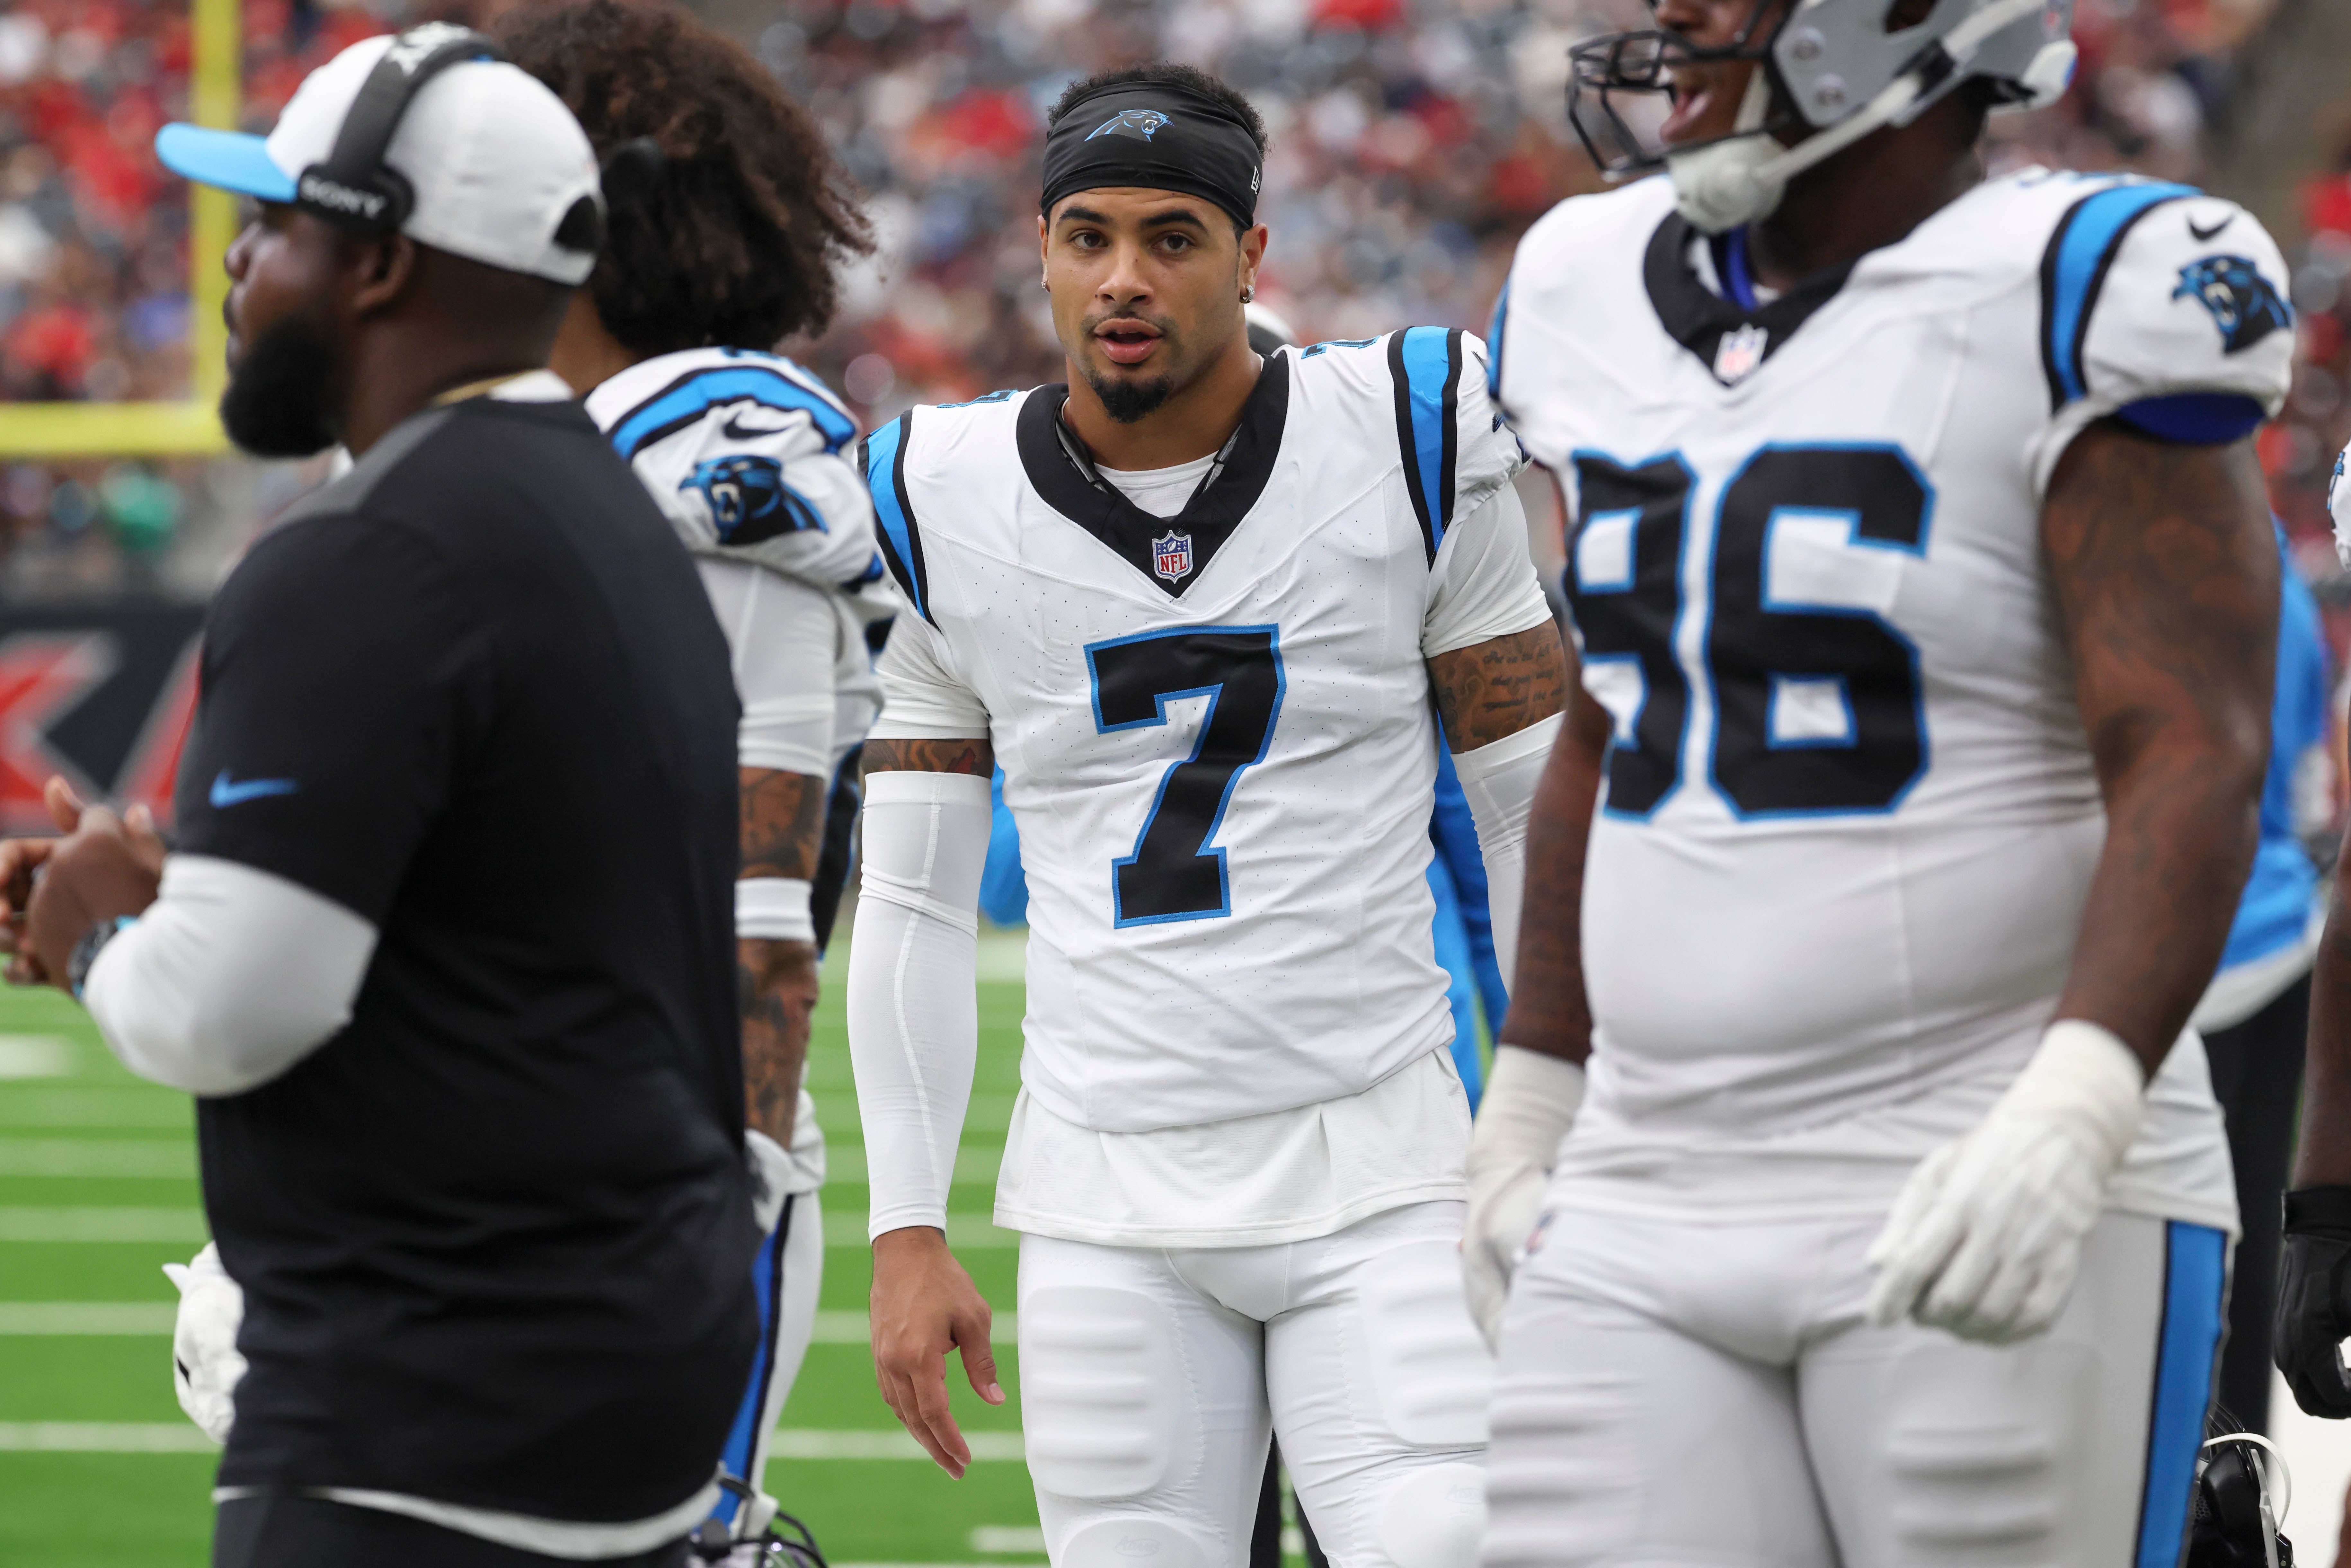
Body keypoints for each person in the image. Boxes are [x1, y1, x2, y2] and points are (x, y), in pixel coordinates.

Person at [1468, 0, 2292, 1562]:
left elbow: (2192, 742)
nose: (1674, 21)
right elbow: (1616, 713)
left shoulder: (2087, 282)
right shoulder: (1580, 279)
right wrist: (1535, 1088)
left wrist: (2080, 1098)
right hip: (1644, 1171)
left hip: (1975, 1145)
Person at [3, 29, 757, 1568]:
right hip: (631, 1352)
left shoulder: (371, 548)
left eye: (272, 226)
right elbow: (494, 927)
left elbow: (228, 1015)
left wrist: (94, 937)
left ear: (379, 262)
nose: (236, 269)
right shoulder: (603, 507)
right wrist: (203, 887)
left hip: (437, 1396)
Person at [845, 63, 1566, 1568]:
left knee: (1447, 1545)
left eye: (1172, 237)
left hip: (1383, 1160)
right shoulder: (936, 494)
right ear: (1041, 250)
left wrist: (1571, 1120)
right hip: (1105, 1193)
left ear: (1251, 255)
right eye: (1089, 236)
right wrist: (906, 1224)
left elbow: (1533, 811)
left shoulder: (1407, 431)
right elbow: (909, 900)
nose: (1124, 277)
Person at [493, 2, 883, 1546]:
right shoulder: (549, 448)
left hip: (634, 1224)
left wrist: (686, 1452)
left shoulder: (710, 469)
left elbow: (754, 957)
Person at [2192, 519, 2328, 1435]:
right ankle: (2238, 1481)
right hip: (2282, 932)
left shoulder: (2169, 566)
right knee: (2253, 1233)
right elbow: (2310, 780)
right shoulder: (2292, 589)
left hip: (2187, 948)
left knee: (2177, 1243)